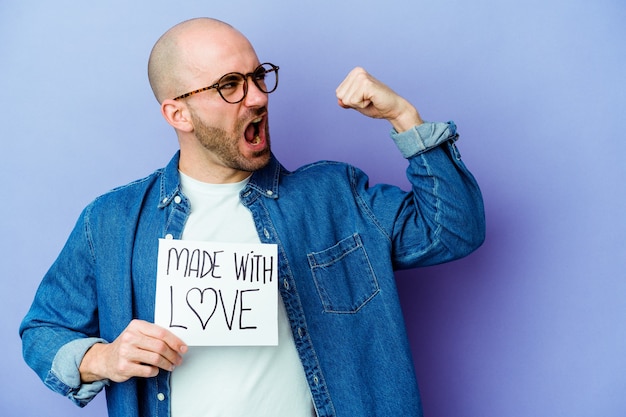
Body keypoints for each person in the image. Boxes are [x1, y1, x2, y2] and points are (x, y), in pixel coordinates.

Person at [20, 17, 485, 417]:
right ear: (178, 113)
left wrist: (404, 116)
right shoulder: (112, 223)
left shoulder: (334, 196)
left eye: (258, 76)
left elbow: (455, 230)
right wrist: (102, 358)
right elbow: (42, 330)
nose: (258, 97)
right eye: (229, 85)